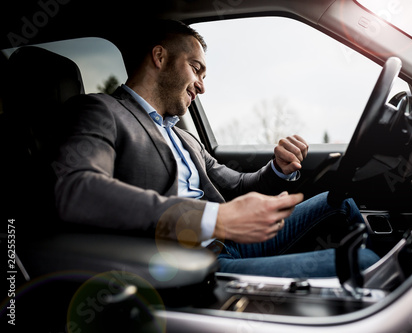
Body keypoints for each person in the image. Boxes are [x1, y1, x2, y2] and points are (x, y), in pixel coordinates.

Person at [53, 20, 379, 278]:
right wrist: (215, 218)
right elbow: (77, 189)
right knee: (365, 262)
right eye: (196, 68)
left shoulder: (184, 138)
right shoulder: (102, 111)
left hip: (233, 243)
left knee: (340, 202)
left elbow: (236, 186)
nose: (202, 85)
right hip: (193, 265)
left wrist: (278, 168)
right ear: (160, 57)